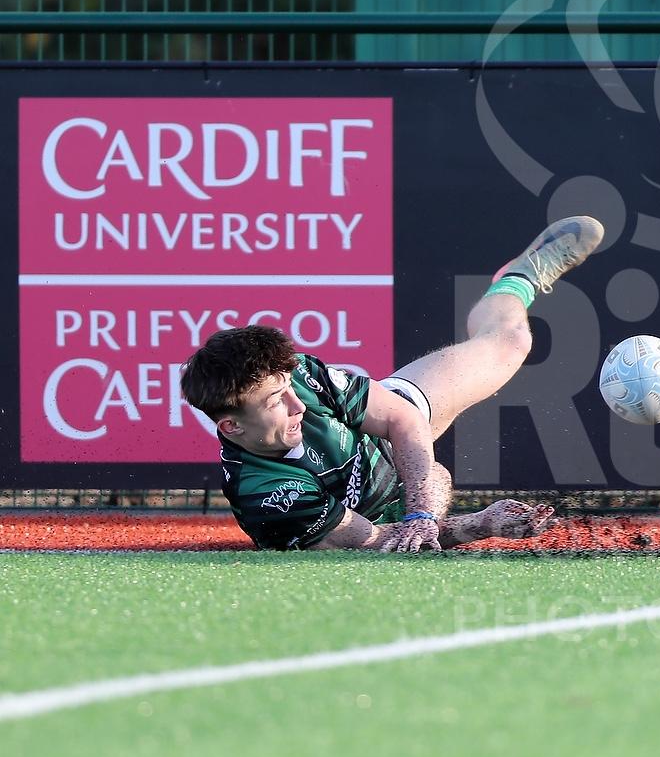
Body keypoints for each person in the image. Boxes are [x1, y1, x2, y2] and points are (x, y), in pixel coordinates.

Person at [180, 216, 605, 552]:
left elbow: (402, 419)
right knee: (431, 480)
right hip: (378, 517)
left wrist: (422, 514)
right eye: (277, 401)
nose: (299, 405)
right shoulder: (269, 495)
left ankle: (517, 279)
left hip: (383, 438)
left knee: (510, 342)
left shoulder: (298, 375)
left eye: (290, 387)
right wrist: (480, 524)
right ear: (231, 426)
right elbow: (379, 540)